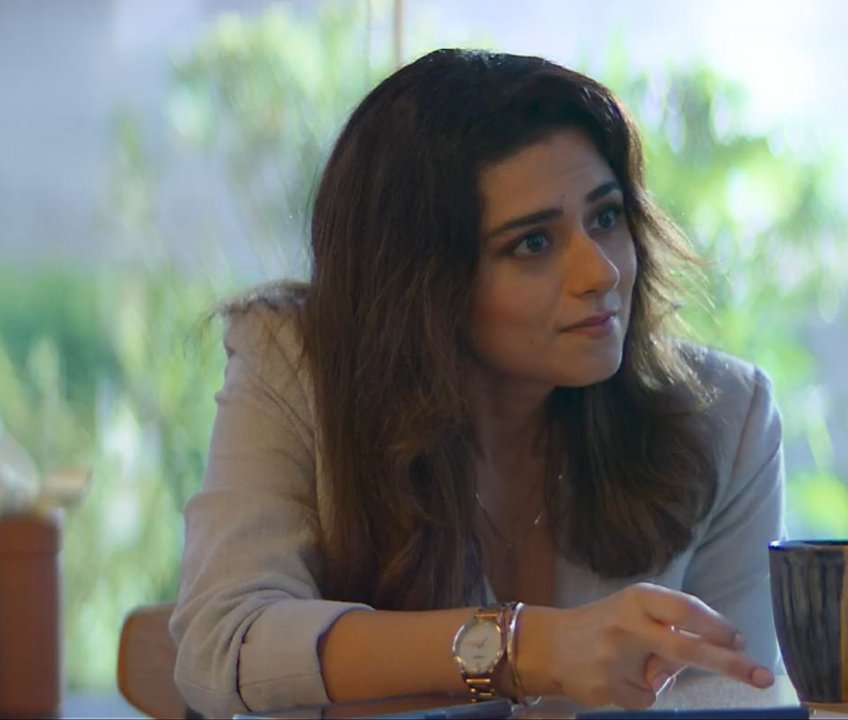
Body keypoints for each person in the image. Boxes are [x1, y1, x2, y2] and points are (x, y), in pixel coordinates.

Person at [170, 48, 785, 718]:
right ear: (423, 285)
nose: (601, 273)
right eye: (533, 244)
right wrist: (527, 647)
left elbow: (731, 698)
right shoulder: (299, 363)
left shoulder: (724, 415)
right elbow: (223, 642)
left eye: (605, 217)